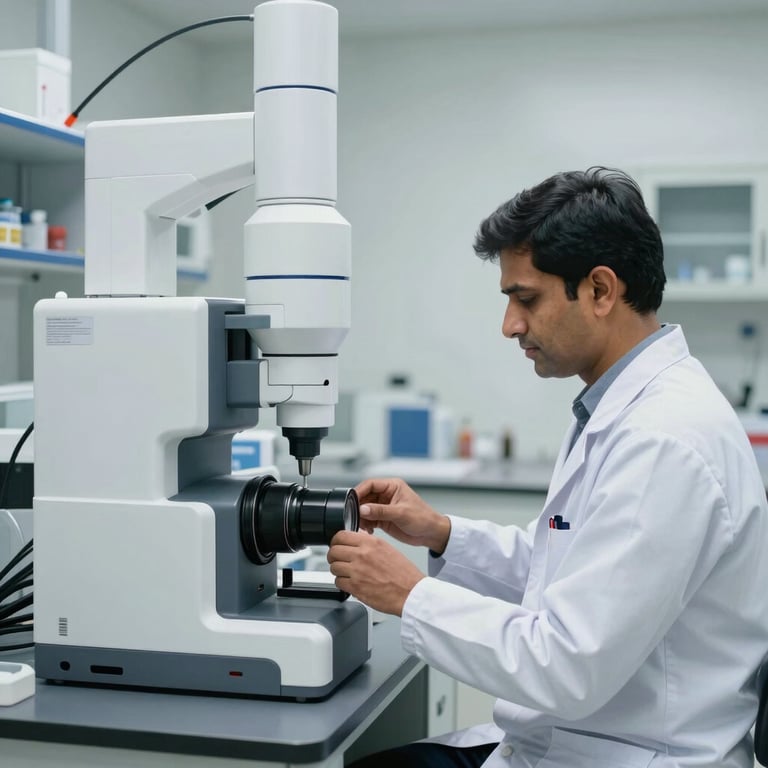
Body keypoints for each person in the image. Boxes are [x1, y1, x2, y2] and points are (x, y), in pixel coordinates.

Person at [327, 167, 768, 768]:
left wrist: (411, 595)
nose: (510, 324)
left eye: (525, 298)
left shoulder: (665, 439)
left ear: (601, 290)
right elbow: (565, 574)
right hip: (575, 743)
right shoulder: (616, 406)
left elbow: (568, 664)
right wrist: (443, 534)